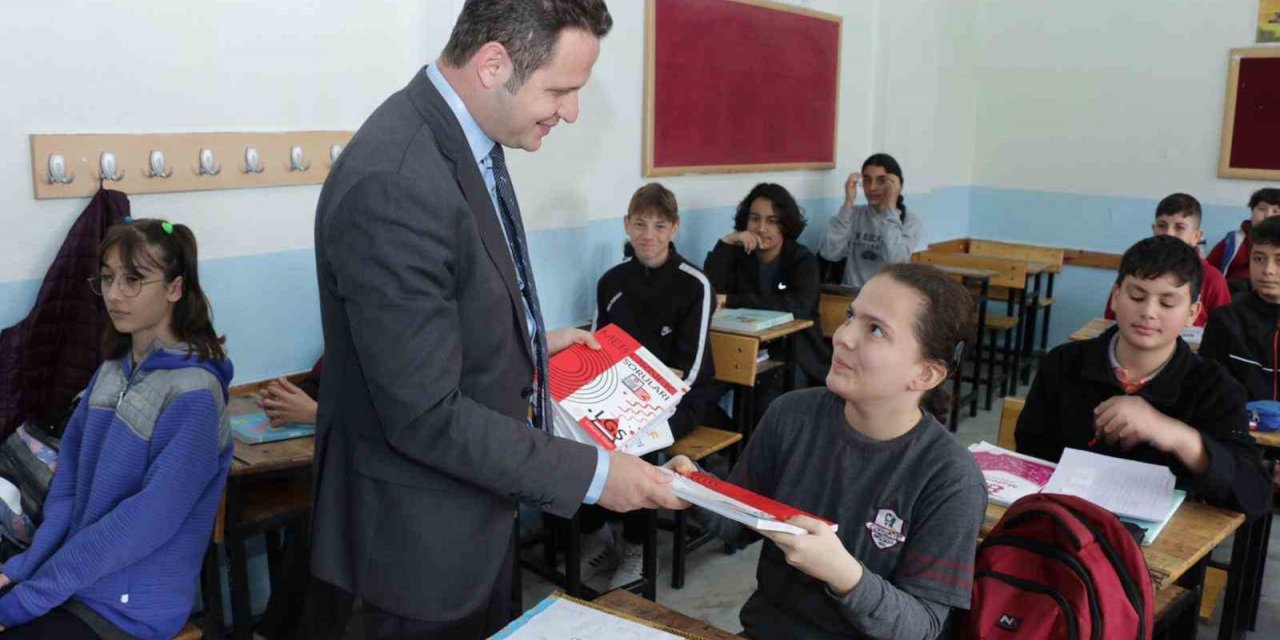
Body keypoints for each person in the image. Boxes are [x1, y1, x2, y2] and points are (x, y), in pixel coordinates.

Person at [310, 2, 684, 638]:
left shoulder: (466, 139)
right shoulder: (397, 182)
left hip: (475, 517)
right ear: (493, 64)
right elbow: (425, 414)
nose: (571, 112)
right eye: (561, 90)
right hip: (414, 553)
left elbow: (460, 294)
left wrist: (537, 343)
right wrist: (595, 476)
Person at [668, 263, 986, 639]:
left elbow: (923, 627)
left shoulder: (951, 479)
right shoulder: (792, 415)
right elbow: (737, 525)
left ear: (926, 375)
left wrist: (845, 576)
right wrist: (691, 487)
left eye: (876, 330)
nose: (843, 336)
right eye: (852, 316)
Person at [0, 219, 233, 639]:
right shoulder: (110, 372)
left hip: (129, 605)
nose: (114, 294)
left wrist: (27, 599)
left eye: (134, 279)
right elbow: (67, 489)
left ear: (175, 289)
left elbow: (140, 524)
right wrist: (22, 569)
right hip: (74, 580)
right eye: (107, 278)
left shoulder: (193, 394)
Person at [1017, 235, 1270, 519]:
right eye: (1137, 296)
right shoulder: (1063, 363)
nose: (1149, 312)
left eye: (1167, 303)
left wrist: (1176, 435)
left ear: (1193, 313)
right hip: (1064, 533)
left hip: (1165, 553)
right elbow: (1030, 452)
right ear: (1115, 297)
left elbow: (1254, 495)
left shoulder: (1216, 388)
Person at [579, 183, 725, 590]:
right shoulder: (611, 280)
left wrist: (642, 405)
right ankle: (596, 532)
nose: (648, 234)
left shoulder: (695, 283)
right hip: (622, 398)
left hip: (681, 402)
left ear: (674, 228)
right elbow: (598, 346)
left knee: (636, 441)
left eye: (659, 226)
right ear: (626, 224)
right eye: (640, 224)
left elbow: (692, 368)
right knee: (582, 431)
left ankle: (636, 545)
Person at [704, 183, 830, 384]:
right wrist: (727, 241)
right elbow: (710, 290)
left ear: (785, 225)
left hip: (794, 352)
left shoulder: (802, 260)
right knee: (701, 390)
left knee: (770, 395)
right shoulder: (739, 254)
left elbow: (798, 306)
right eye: (754, 219)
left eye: (772, 221)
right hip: (742, 347)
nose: (762, 228)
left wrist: (732, 300)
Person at [1201, 216, 1280, 492]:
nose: (1268, 270)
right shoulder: (1227, 319)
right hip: (1238, 444)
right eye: (1259, 259)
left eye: (1279, 261)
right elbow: (1210, 392)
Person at [1103, 193, 1230, 327]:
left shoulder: (1213, 279)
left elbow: (1225, 329)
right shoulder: (1135, 268)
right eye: (1162, 225)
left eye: (1179, 227)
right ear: (1153, 229)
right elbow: (1111, 318)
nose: (1169, 233)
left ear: (1196, 236)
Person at [819, 153, 923, 289]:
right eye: (867, 180)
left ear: (895, 184)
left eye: (881, 181)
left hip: (886, 298)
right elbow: (830, 253)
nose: (872, 187)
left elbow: (895, 261)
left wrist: (891, 207)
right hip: (849, 295)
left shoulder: (910, 220)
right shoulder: (852, 214)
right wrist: (848, 203)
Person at [1206, 187, 1280, 283]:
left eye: (1276, 211)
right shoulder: (1233, 242)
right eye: (1262, 209)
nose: (1268, 215)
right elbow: (1207, 271)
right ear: (1252, 211)